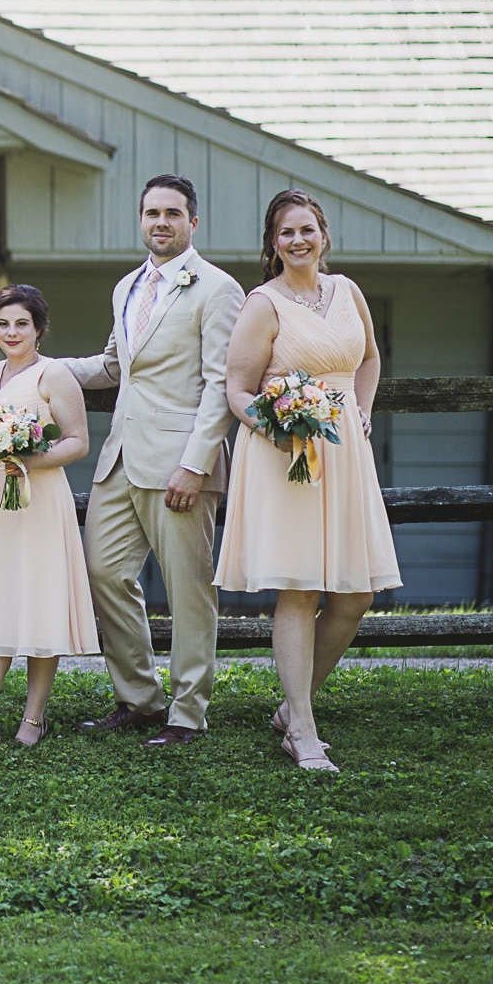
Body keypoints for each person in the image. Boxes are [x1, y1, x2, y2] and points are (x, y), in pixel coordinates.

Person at [217, 190, 400, 772]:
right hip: (285, 454)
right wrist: (275, 430)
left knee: (355, 595)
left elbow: (369, 358)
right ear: (273, 245)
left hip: (345, 454)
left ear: (323, 234)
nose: (297, 241)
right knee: (298, 588)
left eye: (306, 230)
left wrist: (362, 409)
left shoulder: (348, 291)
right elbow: (238, 390)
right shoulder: (262, 305)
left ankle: (293, 707)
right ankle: (302, 727)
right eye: (285, 233)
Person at [62, 173, 245, 747]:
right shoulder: (126, 288)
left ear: (193, 222)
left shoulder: (218, 290)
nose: (160, 222)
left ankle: (187, 714)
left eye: (172, 213)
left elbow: (221, 384)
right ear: (140, 220)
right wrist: (41, 369)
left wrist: (195, 465)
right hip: (120, 456)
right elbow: (117, 366)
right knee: (104, 573)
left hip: (180, 464)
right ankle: (139, 699)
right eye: (151, 213)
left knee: (189, 591)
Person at [0, 285, 97, 753]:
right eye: (3, 324)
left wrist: (25, 461)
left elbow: (77, 441)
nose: (12, 332)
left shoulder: (55, 375)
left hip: (40, 502)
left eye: (22, 324)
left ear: (39, 329)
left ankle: (33, 716)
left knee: (39, 602)